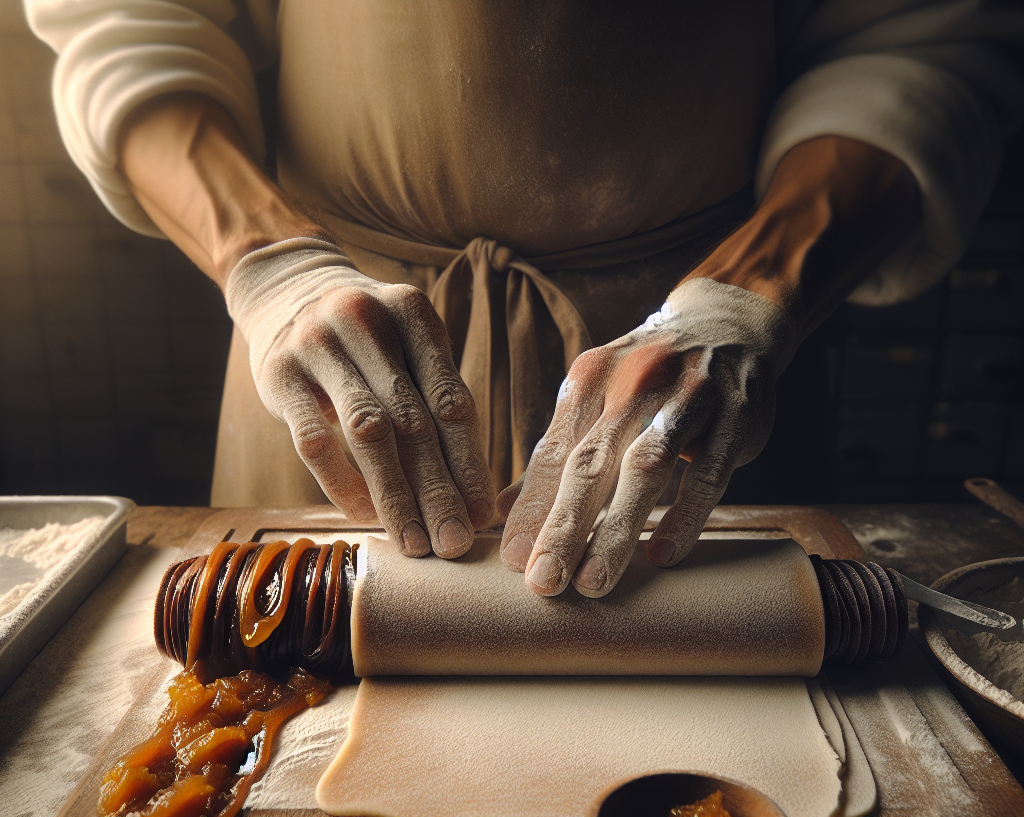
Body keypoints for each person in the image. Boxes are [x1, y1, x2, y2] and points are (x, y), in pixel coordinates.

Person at [27, 0, 1024, 597]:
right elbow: (136, 17)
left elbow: (915, 39)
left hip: (705, 371)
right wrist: (272, 264)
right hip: (335, 347)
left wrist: (740, 301)